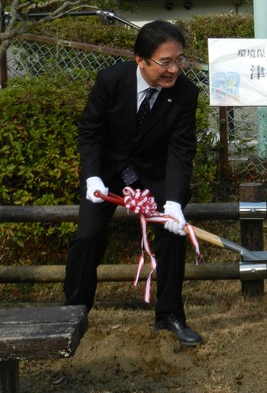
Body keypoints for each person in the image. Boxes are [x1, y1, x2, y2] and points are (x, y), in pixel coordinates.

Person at [64, 20, 202, 346]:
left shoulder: (185, 93)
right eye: (165, 62)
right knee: (87, 237)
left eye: (179, 59)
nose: (174, 69)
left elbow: (181, 151)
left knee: (171, 237)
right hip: (108, 175)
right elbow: (91, 130)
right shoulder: (111, 80)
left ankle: (169, 316)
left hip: (152, 175)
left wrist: (173, 203)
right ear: (140, 59)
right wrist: (92, 175)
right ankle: (73, 312)